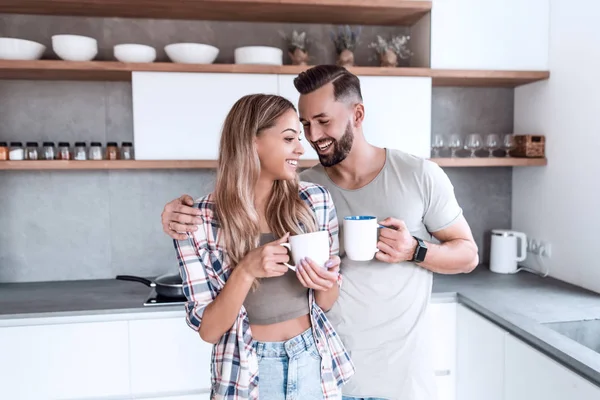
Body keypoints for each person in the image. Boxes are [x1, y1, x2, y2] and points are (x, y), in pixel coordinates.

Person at [163, 65, 479, 400]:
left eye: (323, 121)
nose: (311, 137)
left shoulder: (416, 175)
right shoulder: (304, 189)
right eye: (302, 127)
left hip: (395, 378)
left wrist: (415, 250)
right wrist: (176, 216)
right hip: (332, 375)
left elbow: (468, 256)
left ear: (357, 114)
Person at [172, 93, 355, 400]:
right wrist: (246, 270)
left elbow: (324, 302)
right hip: (249, 368)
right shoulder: (197, 220)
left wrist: (325, 281)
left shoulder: (315, 201)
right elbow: (209, 331)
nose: (300, 147)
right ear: (251, 142)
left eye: (298, 138)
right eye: (288, 138)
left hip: (313, 360)